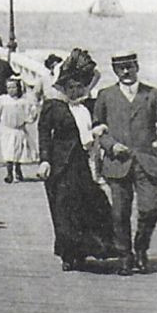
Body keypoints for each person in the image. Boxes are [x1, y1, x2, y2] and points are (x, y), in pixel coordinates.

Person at [92, 52, 157, 273]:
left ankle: (141, 248)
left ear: (137, 66)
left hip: (146, 161)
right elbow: (98, 129)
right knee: (120, 212)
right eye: (121, 68)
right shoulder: (105, 95)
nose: (126, 71)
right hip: (117, 162)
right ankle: (125, 255)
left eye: (130, 66)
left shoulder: (153, 95)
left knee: (150, 208)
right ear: (115, 71)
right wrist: (111, 145)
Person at [38, 49, 125, 272]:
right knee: (64, 210)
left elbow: (96, 77)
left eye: (79, 87)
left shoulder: (89, 104)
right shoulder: (53, 106)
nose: (75, 91)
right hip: (60, 167)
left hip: (84, 165)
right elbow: (44, 133)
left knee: (87, 207)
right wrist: (44, 160)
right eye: (71, 87)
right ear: (63, 88)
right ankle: (68, 254)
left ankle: (85, 251)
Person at [0, 76, 39, 182]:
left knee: (18, 152)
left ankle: (18, 170)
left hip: (19, 130)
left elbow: (32, 112)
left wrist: (29, 119)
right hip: (6, 130)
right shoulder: (3, 101)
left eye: (13, 87)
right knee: (8, 152)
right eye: (9, 88)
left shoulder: (24, 102)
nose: (11, 90)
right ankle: (9, 173)